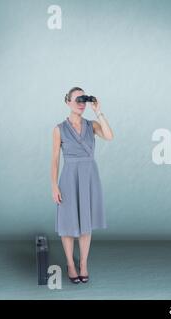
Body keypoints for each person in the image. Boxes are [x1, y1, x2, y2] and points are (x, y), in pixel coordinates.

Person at [50, 87, 114, 283]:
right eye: (77, 99)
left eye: (83, 100)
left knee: (86, 223)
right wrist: (53, 185)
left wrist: (98, 111)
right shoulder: (59, 129)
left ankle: (83, 263)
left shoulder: (92, 125)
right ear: (67, 102)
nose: (81, 103)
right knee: (68, 223)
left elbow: (110, 136)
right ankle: (70, 263)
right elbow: (54, 159)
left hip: (89, 176)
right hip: (69, 177)